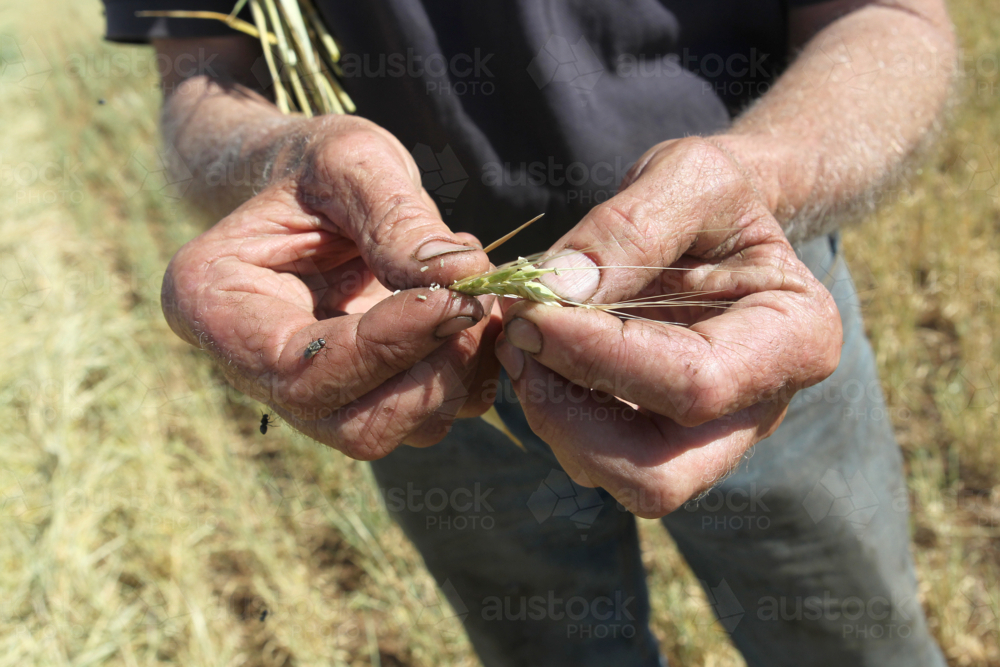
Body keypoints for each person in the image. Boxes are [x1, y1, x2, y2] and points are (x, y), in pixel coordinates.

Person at [103, 1, 956, 664]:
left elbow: (891, 20)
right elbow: (201, 79)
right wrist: (277, 163)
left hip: (736, 305)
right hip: (409, 353)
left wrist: (758, 178)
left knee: (847, 635)